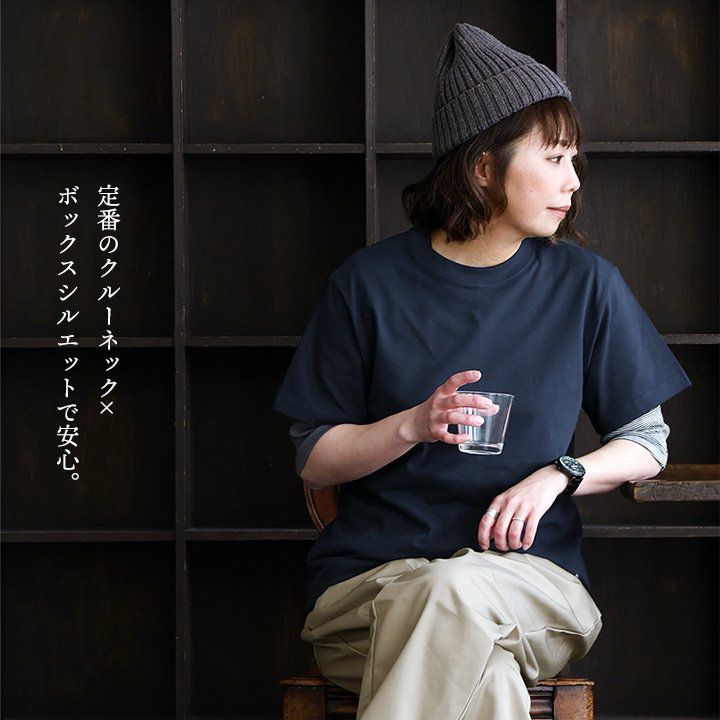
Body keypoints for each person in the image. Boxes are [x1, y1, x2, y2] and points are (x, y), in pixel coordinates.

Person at [272, 23, 692, 720]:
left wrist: (561, 474)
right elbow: (315, 459)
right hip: (372, 590)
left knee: (455, 595)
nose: (573, 180)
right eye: (553, 158)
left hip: (532, 587)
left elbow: (648, 443)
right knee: (469, 647)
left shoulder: (585, 286)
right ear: (483, 169)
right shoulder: (367, 285)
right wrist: (411, 425)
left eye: (574, 159)